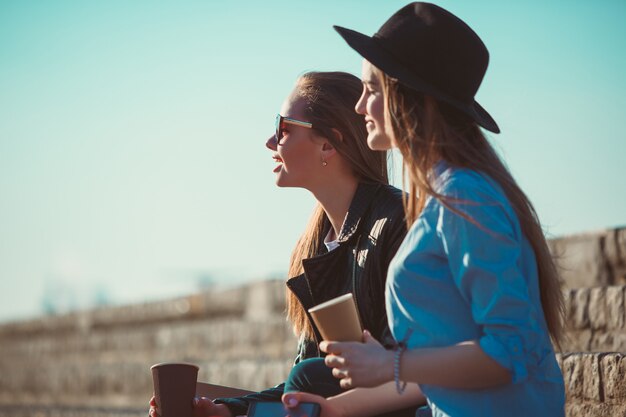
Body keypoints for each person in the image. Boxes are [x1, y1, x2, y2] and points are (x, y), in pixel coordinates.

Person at [282, 3, 566, 417]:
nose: (361, 107)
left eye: (372, 89)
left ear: (408, 97)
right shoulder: (446, 197)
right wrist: (353, 389)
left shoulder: (465, 197)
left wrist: (390, 363)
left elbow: (511, 350)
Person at [149, 71, 417, 417]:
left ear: (328, 144)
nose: (270, 142)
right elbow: (303, 385)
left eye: (283, 127)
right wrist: (226, 412)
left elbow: (410, 371)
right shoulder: (316, 246)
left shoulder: (399, 220)